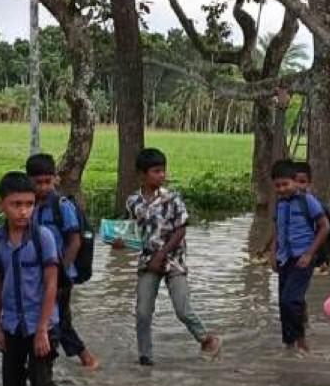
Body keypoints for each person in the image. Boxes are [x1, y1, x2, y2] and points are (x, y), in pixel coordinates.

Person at [0, 172, 84, 386]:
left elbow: (51, 285)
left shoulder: (43, 238)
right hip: (12, 325)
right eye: (16, 204)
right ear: (1, 205)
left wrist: (42, 329)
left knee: (41, 384)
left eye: (28, 204)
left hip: (42, 324)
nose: (23, 211)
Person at [113, 148, 221, 366]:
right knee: (142, 312)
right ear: (142, 175)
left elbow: (180, 230)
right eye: (156, 171)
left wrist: (161, 255)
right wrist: (119, 242)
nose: (162, 175)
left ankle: (207, 339)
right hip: (147, 262)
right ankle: (145, 357)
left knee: (183, 309)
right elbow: (130, 228)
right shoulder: (133, 202)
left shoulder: (172, 198)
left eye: (163, 170)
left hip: (174, 261)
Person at [26, 154, 100, 369]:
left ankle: (85, 358)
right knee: (48, 315)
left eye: (48, 182)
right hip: (38, 273)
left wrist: (60, 273)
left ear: (55, 179)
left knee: (59, 318)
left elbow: (75, 242)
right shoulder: (28, 206)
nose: (43, 187)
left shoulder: (62, 206)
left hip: (61, 274)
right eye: (38, 183)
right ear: (28, 180)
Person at [267, 160, 330, 356]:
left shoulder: (308, 201)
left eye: (285, 184)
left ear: (295, 182)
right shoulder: (279, 203)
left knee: (290, 299)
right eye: (277, 185)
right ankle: (289, 345)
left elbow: (325, 226)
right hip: (284, 258)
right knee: (283, 303)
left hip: (303, 257)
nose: (282, 189)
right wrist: (272, 253)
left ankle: (302, 341)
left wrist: (310, 253)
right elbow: (278, 229)